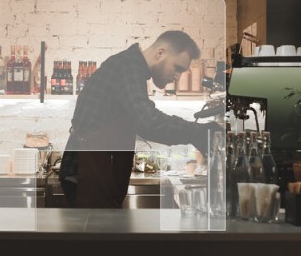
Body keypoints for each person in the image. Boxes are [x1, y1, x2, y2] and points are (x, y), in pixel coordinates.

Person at [59, 30, 223, 208]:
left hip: (96, 169)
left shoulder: (130, 67)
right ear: (160, 53)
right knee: (97, 233)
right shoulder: (127, 67)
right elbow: (149, 122)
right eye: (177, 68)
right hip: (87, 171)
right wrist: (198, 132)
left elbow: (143, 122)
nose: (177, 77)